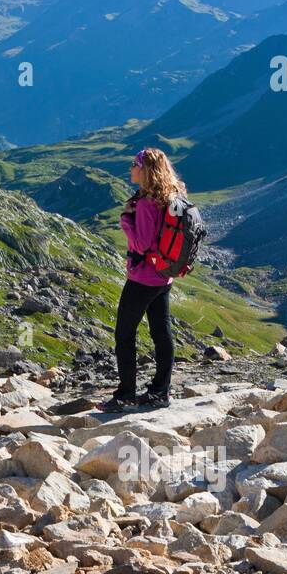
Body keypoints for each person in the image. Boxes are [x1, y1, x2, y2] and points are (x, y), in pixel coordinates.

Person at [98, 147, 186, 412]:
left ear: (145, 169)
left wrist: (126, 220)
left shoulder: (147, 202)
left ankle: (126, 395)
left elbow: (142, 243)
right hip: (163, 277)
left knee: (124, 334)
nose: (130, 169)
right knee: (161, 332)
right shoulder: (171, 195)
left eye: (134, 164)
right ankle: (161, 391)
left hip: (143, 278)